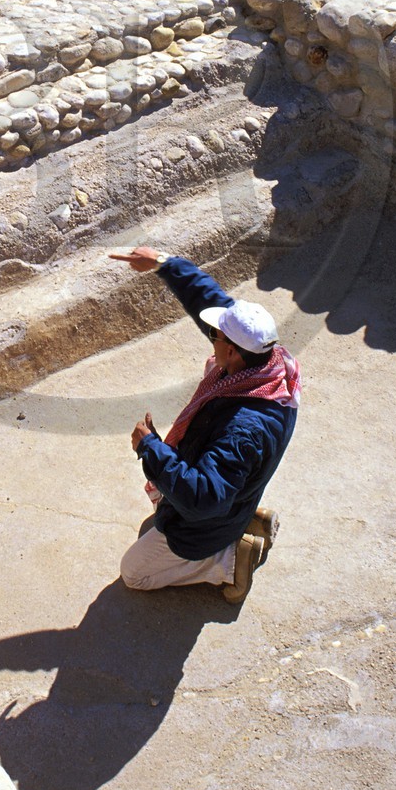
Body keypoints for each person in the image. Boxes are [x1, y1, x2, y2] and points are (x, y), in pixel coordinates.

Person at [111, 246, 300, 604]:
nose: (211, 337)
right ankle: (247, 518)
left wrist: (151, 449)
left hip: (208, 518)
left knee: (134, 572)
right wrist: (164, 264)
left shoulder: (242, 429)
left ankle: (229, 560)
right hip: (233, 493)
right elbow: (208, 300)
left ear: (232, 350)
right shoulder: (269, 365)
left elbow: (203, 500)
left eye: (216, 336)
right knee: (175, 496)